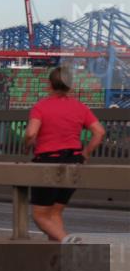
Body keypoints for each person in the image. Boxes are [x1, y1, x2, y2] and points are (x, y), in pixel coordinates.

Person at [24, 67, 106, 242]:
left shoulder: (40, 107)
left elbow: (31, 133)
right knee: (55, 212)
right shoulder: (80, 107)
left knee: (39, 215)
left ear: (49, 85)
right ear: (70, 86)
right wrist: (85, 153)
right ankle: (59, 260)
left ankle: (70, 242)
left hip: (48, 162)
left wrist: (27, 144)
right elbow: (99, 132)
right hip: (74, 161)